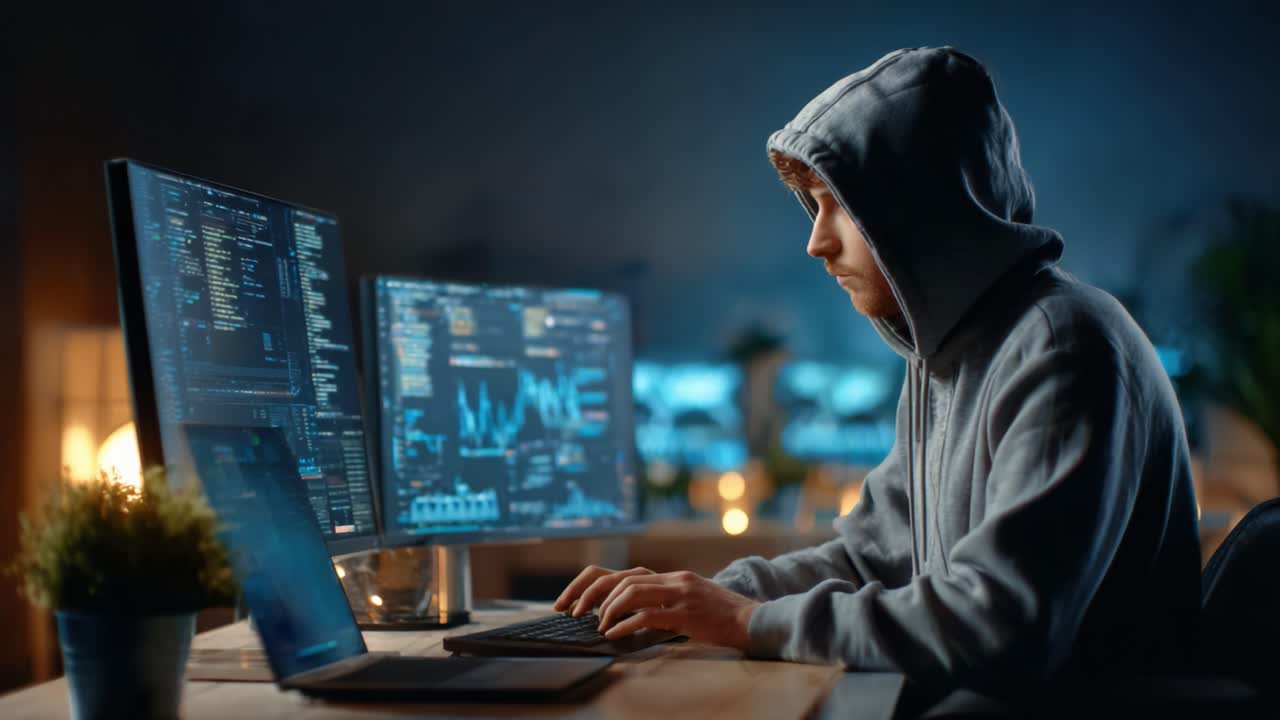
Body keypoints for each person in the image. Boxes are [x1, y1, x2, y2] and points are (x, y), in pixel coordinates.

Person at [553, 46, 1202, 693]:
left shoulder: (1063, 348)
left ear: (922, 206)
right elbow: (869, 559)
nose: (817, 242)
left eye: (839, 205)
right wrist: (697, 599)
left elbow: (1000, 628)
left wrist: (747, 621)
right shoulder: (948, 358)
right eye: (814, 206)